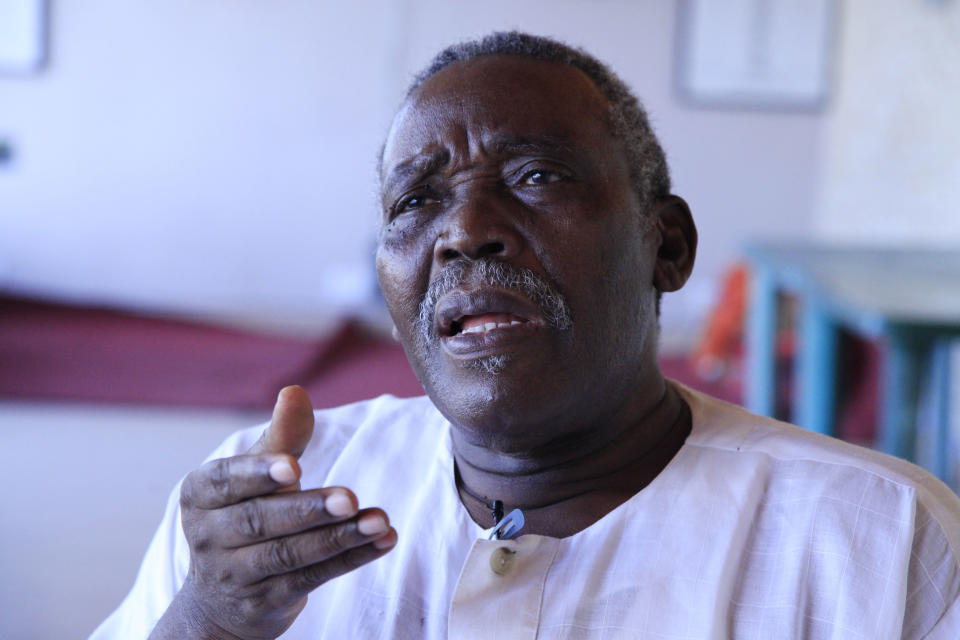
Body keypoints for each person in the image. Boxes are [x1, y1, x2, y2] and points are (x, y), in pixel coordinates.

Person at [92, 32, 960, 640]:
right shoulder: (262, 512)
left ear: (667, 245)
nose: (465, 229)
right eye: (415, 202)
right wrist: (208, 621)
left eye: (536, 176)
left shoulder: (883, 543)